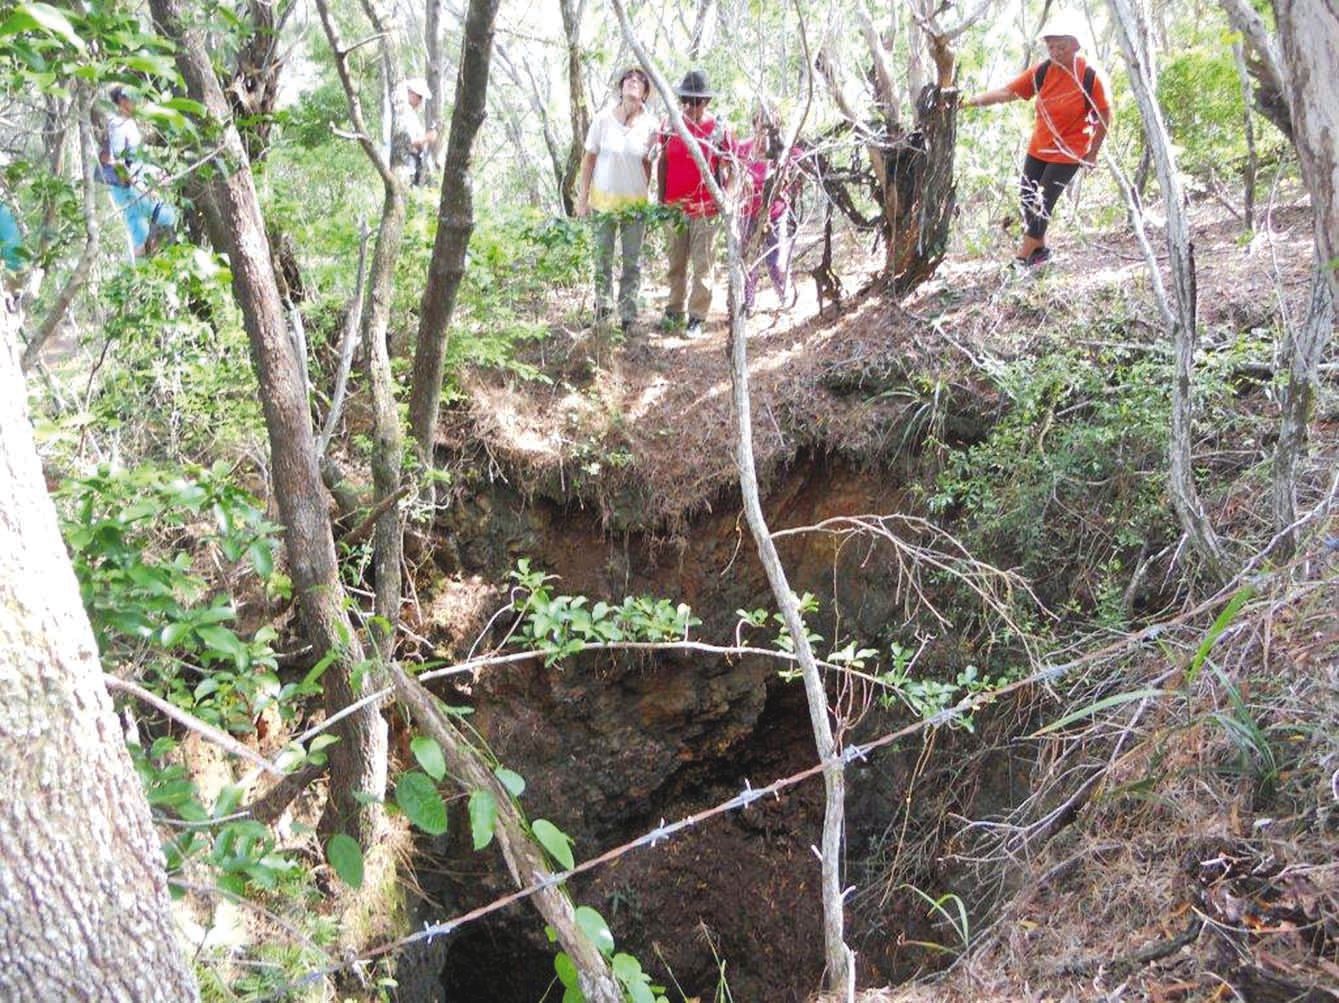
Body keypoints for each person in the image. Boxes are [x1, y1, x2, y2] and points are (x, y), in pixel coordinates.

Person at [962, 11, 1110, 267]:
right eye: (1051, 46)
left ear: (1075, 45)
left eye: (1061, 46)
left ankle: (1022, 258)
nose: (1055, 51)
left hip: (1070, 150)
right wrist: (968, 102)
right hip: (1038, 148)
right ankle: (1040, 252)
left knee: (1042, 202)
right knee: (1027, 199)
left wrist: (1093, 154)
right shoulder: (1042, 72)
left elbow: (1105, 114)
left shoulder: (1090, 75)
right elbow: (1008, 92)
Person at [576, 67, 655, 333]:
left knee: (632, 261)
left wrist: (647, 194)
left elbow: (649, 166)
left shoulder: (651, 126)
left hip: (635, 205)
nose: (633, 82)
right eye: (629, 79)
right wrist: (582, 198)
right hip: (602, 203)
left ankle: (629, 317)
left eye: (640, 81)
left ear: (645, 92)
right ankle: (603, 310)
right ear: (621, 86)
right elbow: (588, 161)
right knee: (603, 258)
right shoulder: (602, 120)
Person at [657, 69, 733, 335]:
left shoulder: (719, 129)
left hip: (706, 208)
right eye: (686, 100)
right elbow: (663, 162)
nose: (691, 106)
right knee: (676, 262)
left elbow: (731, 168)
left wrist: (726, 199)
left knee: (703, 264)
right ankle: (674, 309)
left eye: (697, 101)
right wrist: (661, 200)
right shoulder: (670, 125)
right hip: (675, 208)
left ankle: (697, 316)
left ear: (706, 102)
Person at [736, 105, 802, 313]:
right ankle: (747, 304)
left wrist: (787, 183)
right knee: (748, 261)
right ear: (754, 125)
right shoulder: (743, 150)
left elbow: (800, 171)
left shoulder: (784, 151)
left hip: (775, 214)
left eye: (769, 127)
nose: (763, 131)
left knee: (777, 262)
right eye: (760, 125)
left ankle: (785, 297)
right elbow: (730, 174)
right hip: (748, 214)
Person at [102, 86, 177, 257]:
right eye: (132, 98)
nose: (137, 102)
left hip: (134, 184)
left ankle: (145, 272)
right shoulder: (117, 125)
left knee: (141, 235)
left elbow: (138, 159)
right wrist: (138, 186)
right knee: (166, 217)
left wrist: (157, 172)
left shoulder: (129, 123)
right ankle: (144, 268)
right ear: (122, 101)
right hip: (127, 188)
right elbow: (118, 162)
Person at [393, 77, 437, 186]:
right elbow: (407, 142)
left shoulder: (412, 115)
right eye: (419, 97)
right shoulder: (403, 113)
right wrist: (427, 137)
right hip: (405, 168)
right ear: (411, 93)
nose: (421, 101)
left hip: (413, 167)